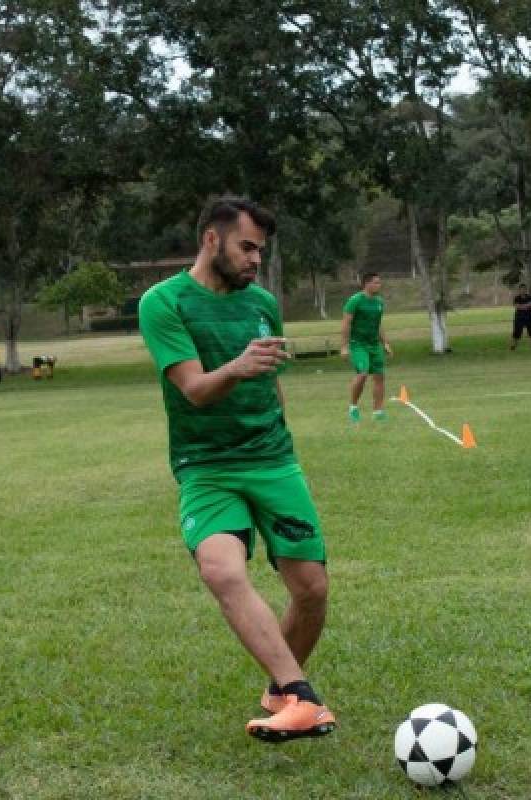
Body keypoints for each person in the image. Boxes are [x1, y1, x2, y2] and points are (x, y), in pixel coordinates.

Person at [138, 196, 336, 742]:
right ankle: (301, 697)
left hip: (274, 460)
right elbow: (195, 389)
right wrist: (239, 365)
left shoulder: (263, 303)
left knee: (312, 590)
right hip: (207, 466)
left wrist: (282, 441)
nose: (255, 259)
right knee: (221, 570)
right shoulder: (163, 302)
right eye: (247, 247)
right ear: (211, 239)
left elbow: (270, 383)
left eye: (260, 250)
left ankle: (281, 694)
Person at [341, 271, 393, 422]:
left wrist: (385, 343)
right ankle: (353, 407)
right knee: (362, 374)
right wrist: (344, 346)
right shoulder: (355, 300)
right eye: (376, 282)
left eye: (379, 282)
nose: (379, 285)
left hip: (374, 345)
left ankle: (378, 412)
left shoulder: (379, 302)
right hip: (358, 345)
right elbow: (346, 324)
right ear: (367, 284)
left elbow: (378, 324)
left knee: (379, 376)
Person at [510, 283, 531, 351]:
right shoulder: (516, 298)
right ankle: (513, 347)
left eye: (524, 289)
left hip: (529, 317)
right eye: (521, 289)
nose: (523, 290)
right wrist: (526, 306)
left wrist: (523, 306)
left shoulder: (530, 297)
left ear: (526, 290)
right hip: (519, 318)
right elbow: (517, 306)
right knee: (516, 333)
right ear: (519, 290)